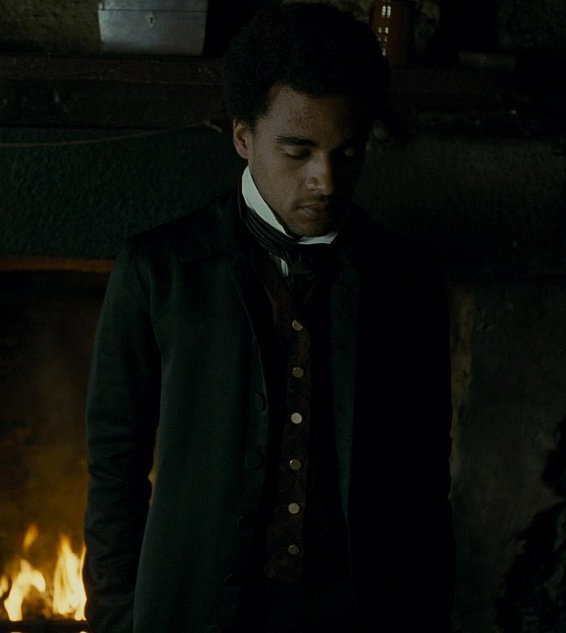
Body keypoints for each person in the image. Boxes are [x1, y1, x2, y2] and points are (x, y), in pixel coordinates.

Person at [83, 3, 455, 632]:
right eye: (298, 151)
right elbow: (115, 464)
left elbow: (425, 480)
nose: (325, 180)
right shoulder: (158, 270)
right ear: (243, 137)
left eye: (347, 152)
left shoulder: (404, 280)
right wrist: (117, 618)